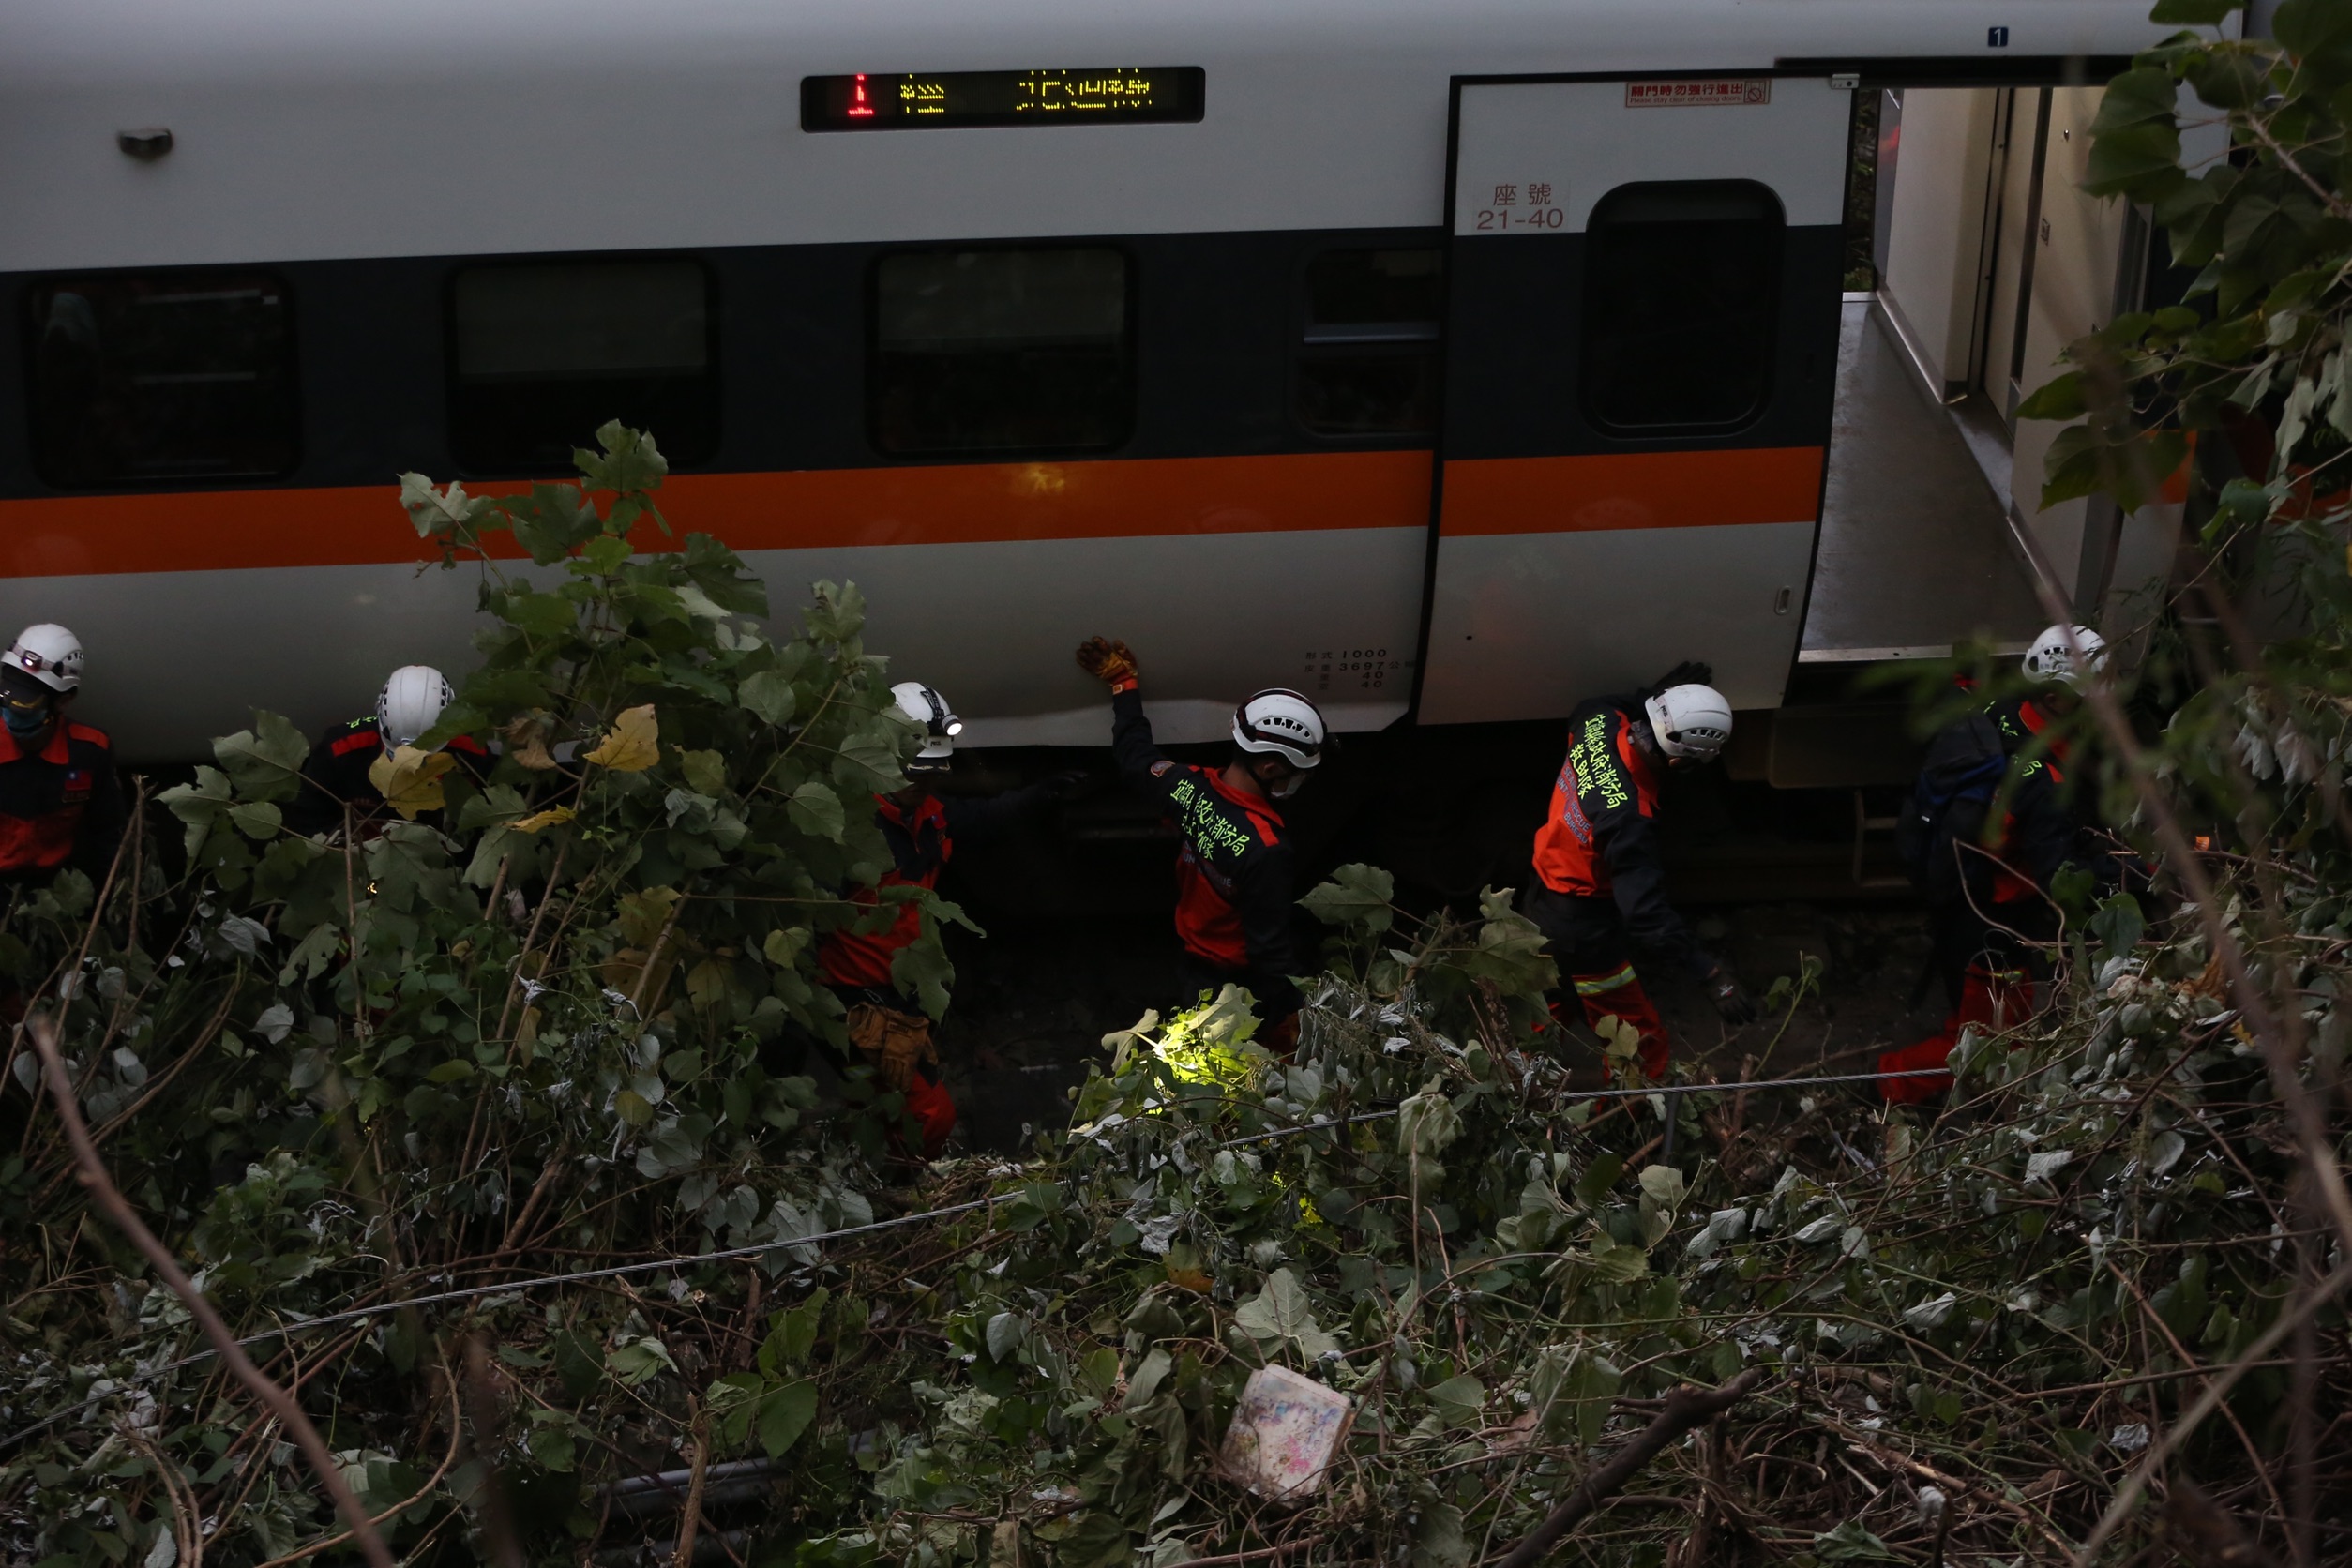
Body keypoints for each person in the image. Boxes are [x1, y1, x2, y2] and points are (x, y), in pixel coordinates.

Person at [815, 681, 1075, 1155]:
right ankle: (901, 1188)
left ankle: (872, 1159)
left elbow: (976, 818)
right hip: (858, 1002)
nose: (923, 784)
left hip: (902, 991)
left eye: (931, 774)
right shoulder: (847, 832)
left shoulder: (925, 815)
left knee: (883, 1100)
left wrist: (1037, 796)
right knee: (930, 1115)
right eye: (914, 773)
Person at [1878, 624, 2105, 1103]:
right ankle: (1888, 1086)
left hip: (1959, 895)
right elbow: (2060, 877)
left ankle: (1945, 1045)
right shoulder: (2043, 779)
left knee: (1979, 1016)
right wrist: (2132, 873)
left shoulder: (1993, 715)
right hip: (1992, 921)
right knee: (1995, 1044)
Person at [1075, 637, 1321, 1045]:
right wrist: (1284, 1013)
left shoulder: (1185, 788)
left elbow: (1134, 754)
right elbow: (1268, 952)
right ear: (1270, 765)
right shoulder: (1267, 849)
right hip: (1240, 989)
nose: (1297, 782)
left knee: (1200, 1069)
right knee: (1246, 1087)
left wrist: (1123, 682)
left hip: (1193, 967)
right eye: (1295, 773)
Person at [1522, 670, 1754, 1080]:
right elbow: (1645, 916)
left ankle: (1514, 1107)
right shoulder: (1630, 815)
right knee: (1640, 1047)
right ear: (1680, 761)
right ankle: (1626, 1130)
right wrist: (1709, 974)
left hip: (1538, 903)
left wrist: (1665, 694)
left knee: (1542, 1023)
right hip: (1584, 933)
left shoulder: (1599, 719)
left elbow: (1603, 704)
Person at [285, 665, 490, 836]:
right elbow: (307, 819)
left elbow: (484, 826)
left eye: (424, 757)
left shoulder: (472, 753)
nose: (410, 765)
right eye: (399, 753)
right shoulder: (343, 748)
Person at [0, 624, 125, 883]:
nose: (11, 708)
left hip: (57, 890)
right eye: (6, 694)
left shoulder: (90, 751)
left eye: (26, 702)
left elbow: (108, 834)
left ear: (64, 701)